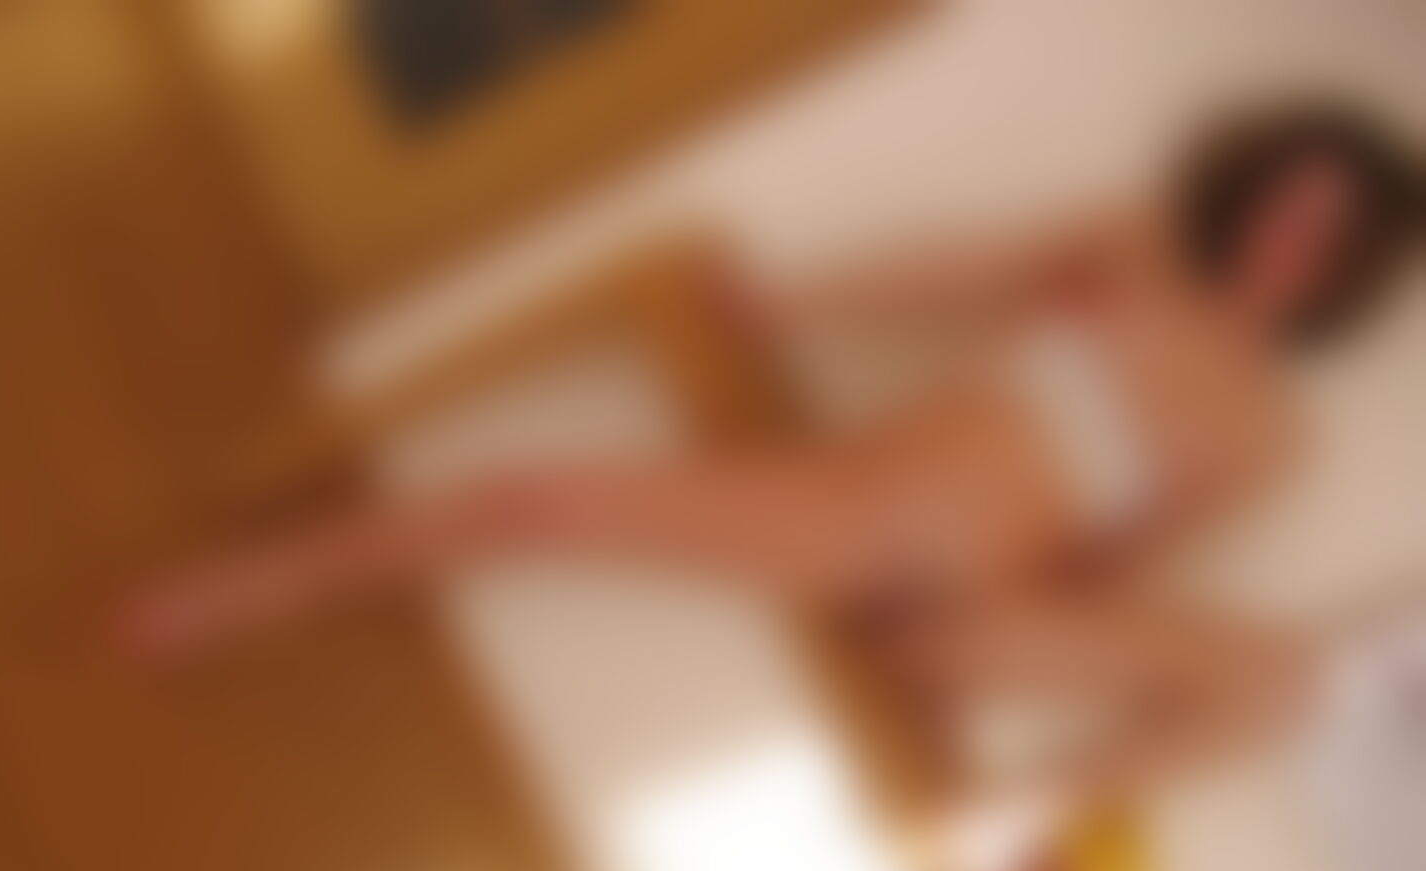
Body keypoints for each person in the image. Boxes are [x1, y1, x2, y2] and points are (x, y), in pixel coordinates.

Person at [121, 102, 1420, 661]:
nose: (1285, 235)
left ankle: (261, 587)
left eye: (1323, 231)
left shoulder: (1268, 437)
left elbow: (1116, 578)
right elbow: (956, 267)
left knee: (538, 500)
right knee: (535, 499)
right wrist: (791, 298)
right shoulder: (1138, 241)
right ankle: (274, 579)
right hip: (847, 482)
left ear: (1348, 267)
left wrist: (977, 631)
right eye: (1284, 199)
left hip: (915, 563)